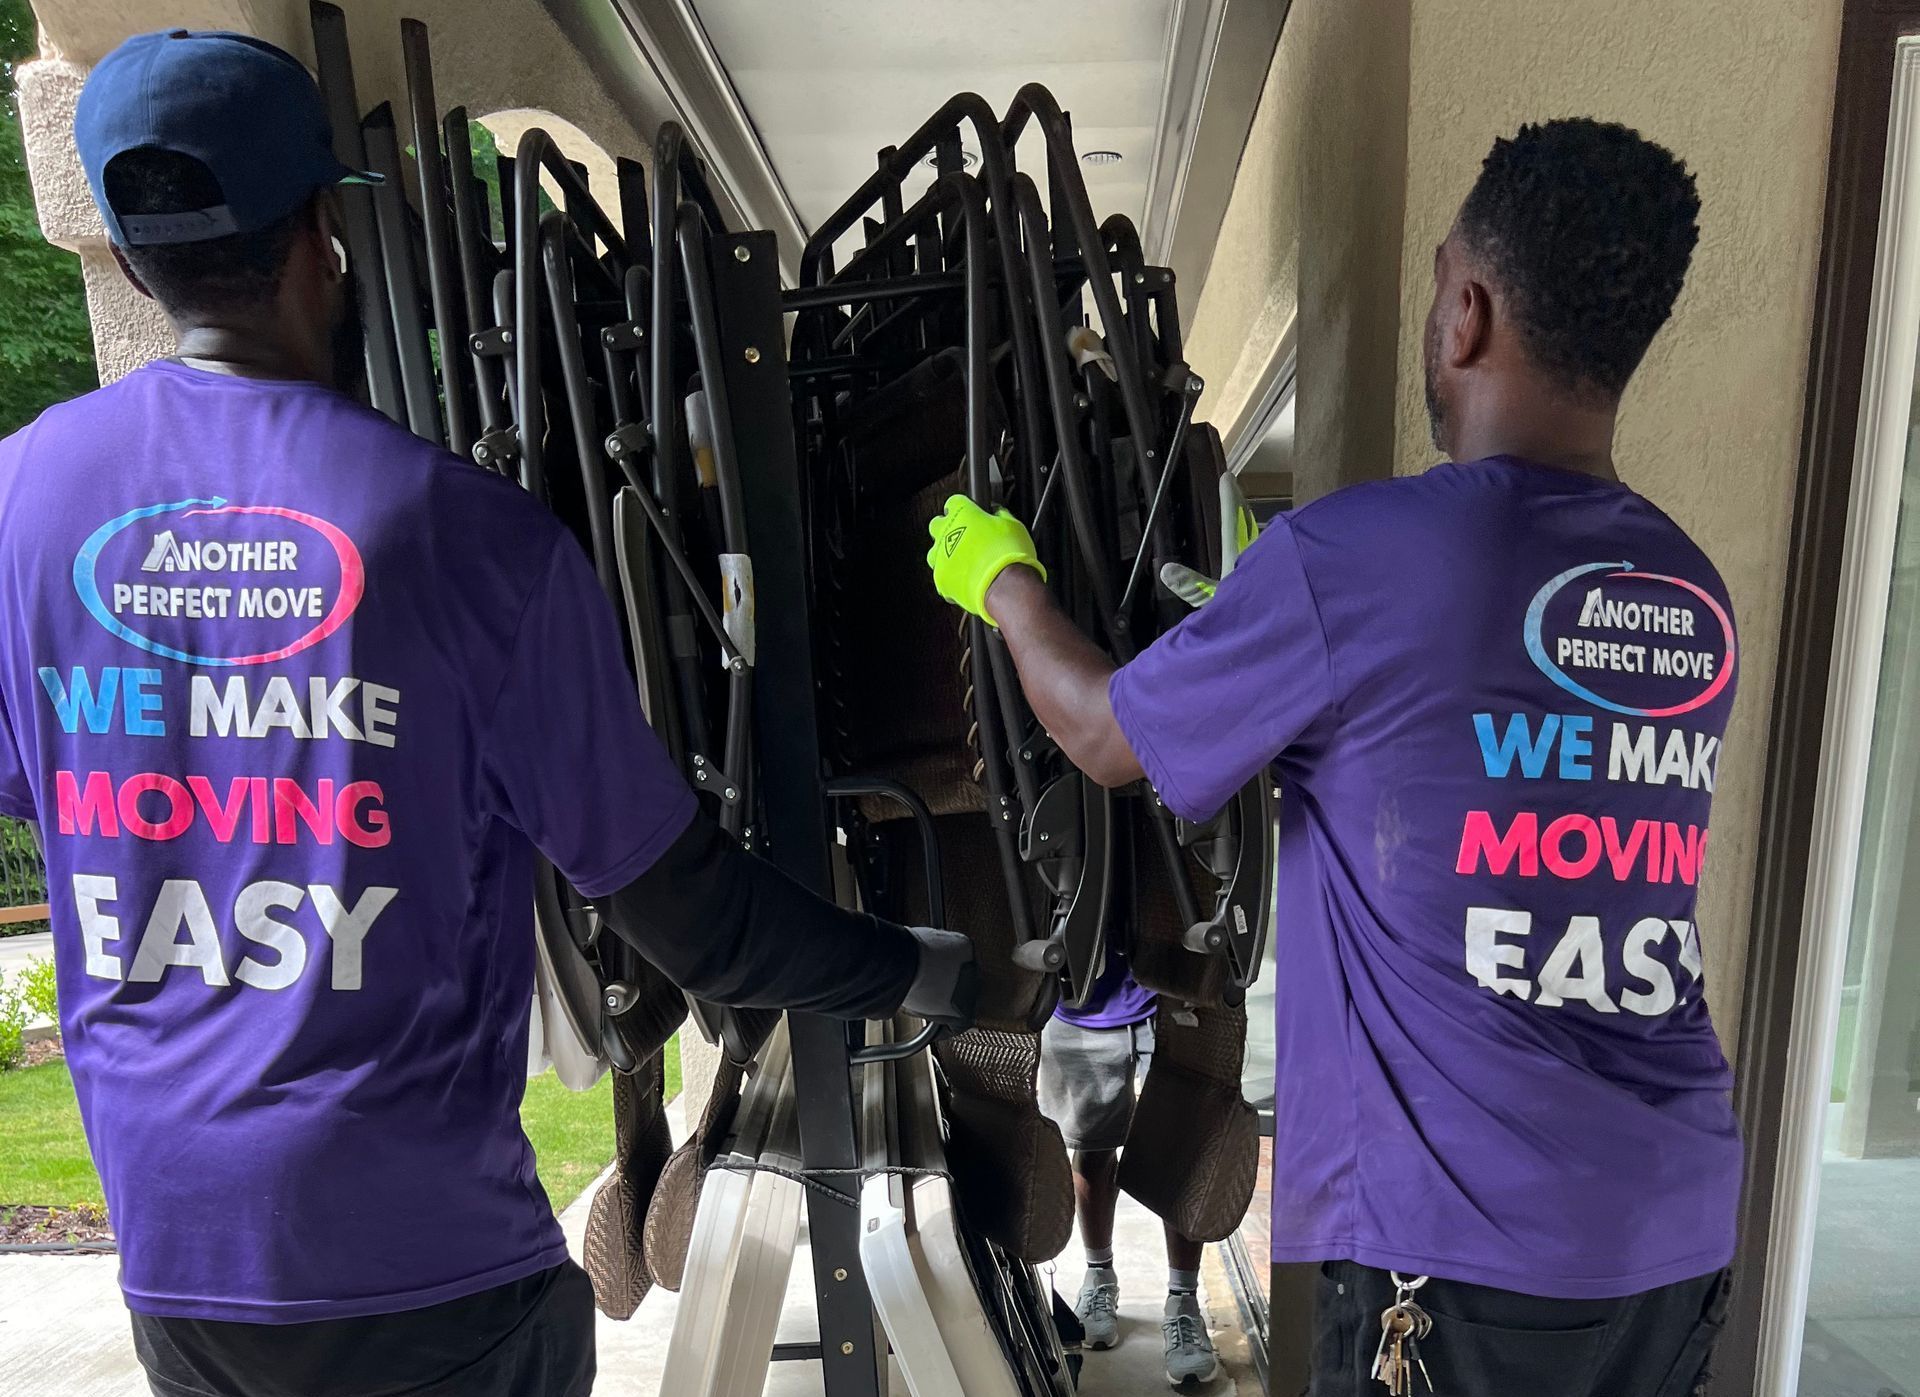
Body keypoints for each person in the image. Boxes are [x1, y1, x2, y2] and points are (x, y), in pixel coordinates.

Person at [0, 30, 974, 1397]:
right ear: (321, 235)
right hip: (433, 1279)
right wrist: (926, 970)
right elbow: (690, 916)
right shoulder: (466, 536)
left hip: (182, 1268)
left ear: (126, 237)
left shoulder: (21, 505)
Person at [929, 118, 1738, 1396]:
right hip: (1676, 1221)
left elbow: (1100, 732)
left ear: (1465, 313)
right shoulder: (1687, 589)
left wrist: (1005, 581)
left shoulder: (1360, 558)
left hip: (1456, 1247)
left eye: (1431, 290)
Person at [1036, 945, 1218, 1385]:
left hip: (1174, 1000)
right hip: (1078, 1007)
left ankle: (1183, 1301)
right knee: (1092, 1147)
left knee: (1180, 1156)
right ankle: (1099, 1277)